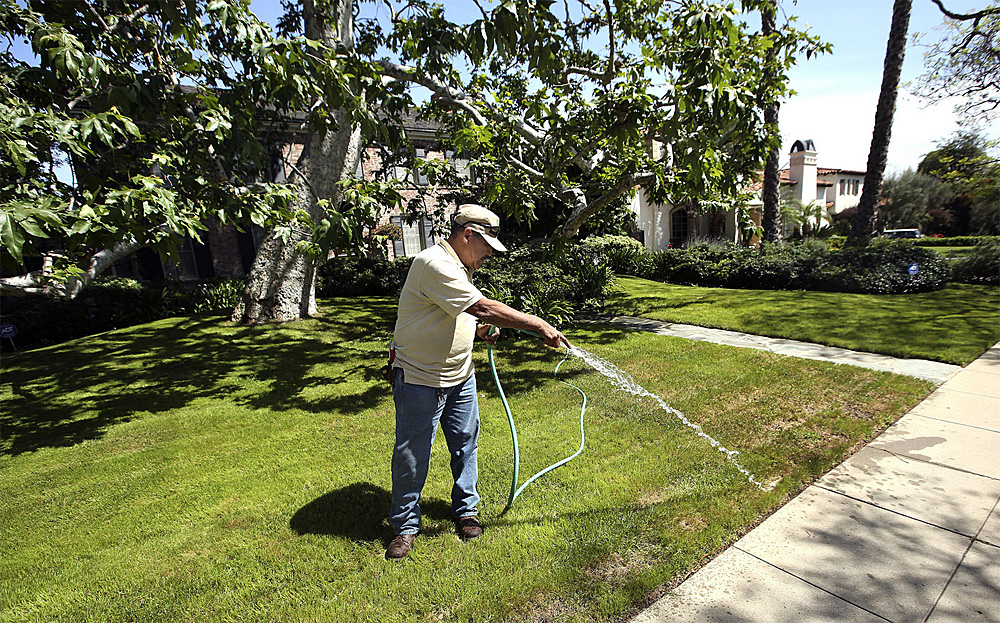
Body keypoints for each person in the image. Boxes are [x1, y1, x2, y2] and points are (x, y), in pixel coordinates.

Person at [385, 204, 570, 559]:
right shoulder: (432, 263)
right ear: (468, 235)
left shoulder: (460, 266)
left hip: (461, 374)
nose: (488, 255)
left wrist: (477, 330)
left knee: (466, 445)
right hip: (420, 378)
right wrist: (537, 324)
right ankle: (405, 525)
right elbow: (480, 305)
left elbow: (458, 311)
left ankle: (465, 510)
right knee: (412, 455)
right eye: (486, 246)